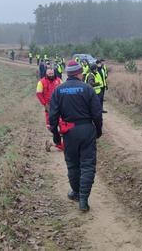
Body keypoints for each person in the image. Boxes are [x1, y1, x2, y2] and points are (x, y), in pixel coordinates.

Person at [48, 60, 103, 212]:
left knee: (73, 164)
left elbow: (52, 116)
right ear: (79, 73)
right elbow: (97, 114)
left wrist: (55, 135)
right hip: (87, 130)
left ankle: (76, 193)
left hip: (69, 132)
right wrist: (98, 130)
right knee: (87, 164)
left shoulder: (58, 90)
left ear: (67, 73)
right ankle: (83, 200)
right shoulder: (88, 89)